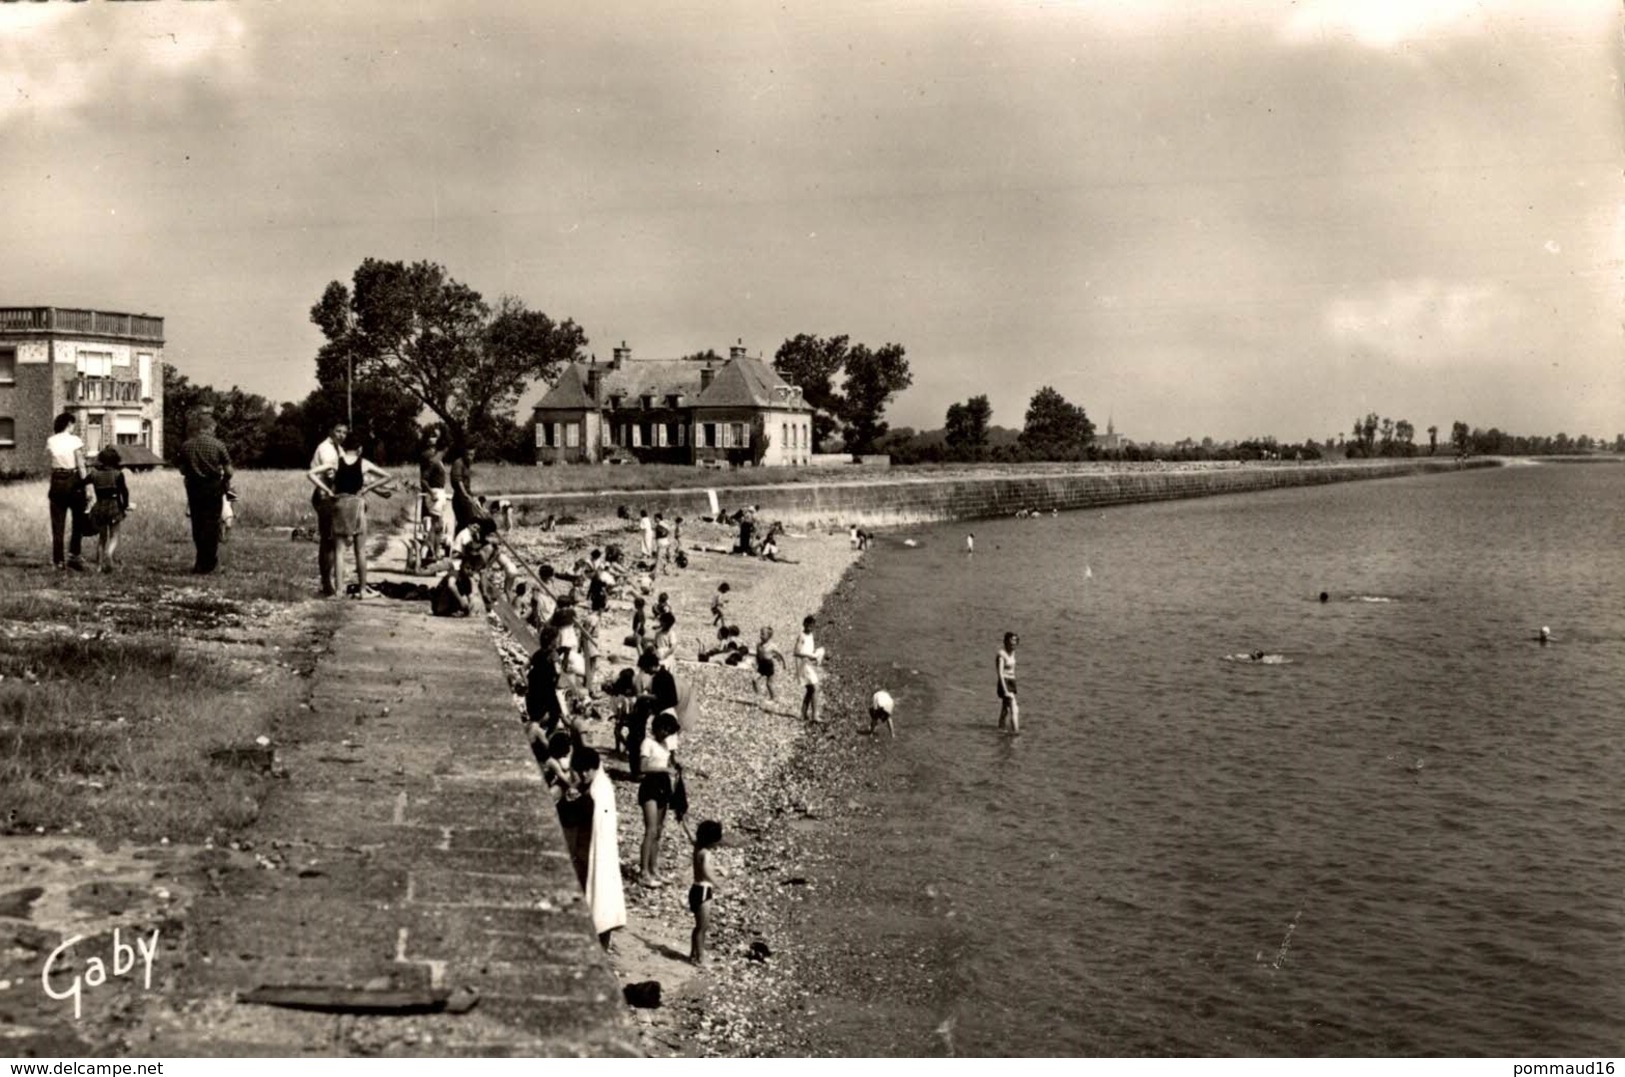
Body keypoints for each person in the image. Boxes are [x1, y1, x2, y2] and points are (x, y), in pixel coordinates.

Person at [308, 432, 393, 599]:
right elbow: (388, 476)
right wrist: (369, 488)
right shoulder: (364, 463)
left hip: (339, 504)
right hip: (356, 505)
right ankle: (362, 590)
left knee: (339, 551)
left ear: (344, 448)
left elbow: (310, 473)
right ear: (359, 449)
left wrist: (326, 490)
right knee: (360, 550)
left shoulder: (336, 462)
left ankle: (339, 591)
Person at [574, 747, 626, 949]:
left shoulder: (596, 792)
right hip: (599, 853)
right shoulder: (602, 787)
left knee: (595, 896)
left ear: (586, 770)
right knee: (602, 897)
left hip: (590, 853)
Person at [177, 411, 233, 575]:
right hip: (213, 487)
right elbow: (229, 470)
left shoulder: (186, 445)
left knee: (198, 524)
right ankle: (209, 562)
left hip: (194, 488)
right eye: (213, 428)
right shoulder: (218, 445)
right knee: (212, 524)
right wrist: (224, 480)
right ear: (208, 428)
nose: (214, 431)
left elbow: (182, 470)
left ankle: (200, 561)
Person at [637, 711, 682, 886]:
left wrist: (674, 767)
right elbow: (642, 767)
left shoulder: (664, 745)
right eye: (664, 729)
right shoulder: (647, 742)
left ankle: (654, 868)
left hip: (663, 785)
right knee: (650, 830)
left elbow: (668, 763)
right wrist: (664, 770)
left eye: (669, 731)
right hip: (650, 786)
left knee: (659, 830)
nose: (666, 733)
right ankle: (643, 871)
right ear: (657, 728)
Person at [45, 412, 90, 572]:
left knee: (58, 524)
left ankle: (58, 561)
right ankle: (74, 555)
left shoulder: (51, 440)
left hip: (57, 480)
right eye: (73, 425)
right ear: (69, 424)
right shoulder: (75, 440)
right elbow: (81, 463)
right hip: (73, 479)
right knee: (78, 520)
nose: (74, 427)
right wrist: (87, 485)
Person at [307, 421, 348, 596]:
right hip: (324, 496)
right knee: (328, 541)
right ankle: (326, 583)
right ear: (331, 431)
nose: (341, 435)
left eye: (344, 433)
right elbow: (332, 474)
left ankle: (331, 581)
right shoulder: (325, 449)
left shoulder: (339, 449)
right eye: (338, 431)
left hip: (334, 496)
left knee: (333, 540)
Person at [87, 447, 130, 573]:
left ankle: (99, 566)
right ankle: (109, 553)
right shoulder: (118, 474)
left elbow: (81, 482)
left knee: (102, 537)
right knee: (114, 535)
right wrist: (124, 506)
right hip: (114, 506)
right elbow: (124, 492)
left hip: (100, 507)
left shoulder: (94, 474)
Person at [689, 819, 724, 966]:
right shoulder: (706, 853)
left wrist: (684, 822)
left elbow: (690, 836)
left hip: (695, 888)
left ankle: (693, 954)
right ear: (712, 841)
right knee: (702, 928)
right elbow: (705, 870)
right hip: (704, 890)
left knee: (698, 927)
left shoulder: (697, 847)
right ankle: (700, 958)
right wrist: (718, 883)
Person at [419, 434, 453, 561]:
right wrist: (432, 493)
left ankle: (436, 550)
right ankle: (431, 550)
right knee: (435, 524)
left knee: (439, 525)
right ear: (444, 448)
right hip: (435, 492)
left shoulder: (439, 461)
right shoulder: (433, 462)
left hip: (440, 492)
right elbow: (424, 480)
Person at [794, 615, 825, 724]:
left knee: (811, 689)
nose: (810, 628)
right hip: (803, 665)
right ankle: (814, 715)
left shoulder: (810, 635)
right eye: (808, 625)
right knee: (815, 688)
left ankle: (803, 713)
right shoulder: (802, 637)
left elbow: (808, 650)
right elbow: (796, 652)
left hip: (808, 664)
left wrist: (817, 654)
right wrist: (810, 656)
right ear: (804, 625)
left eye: (812, 626)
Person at [446, 442, 479, 533]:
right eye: (468, 454)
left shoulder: (468, 465)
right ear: (464, 453)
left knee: (464, 524)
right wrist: (466, 494)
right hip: (460, 497)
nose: (469, 457)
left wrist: (472, 496)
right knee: (468, 522)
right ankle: (460, 543)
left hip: (466, 496)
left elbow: (467, 484)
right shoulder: (458, 463)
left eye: (472, 455)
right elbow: (458, 481)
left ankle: (459, 544)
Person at [752, 626, 786, 702]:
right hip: (761, 666)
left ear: (769, 636)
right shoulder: (758, 645)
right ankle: (758, 696)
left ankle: (773, 698)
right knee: (754, 679)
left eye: (763, 634)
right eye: (760, 633)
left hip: (769, 666)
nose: (761, 636)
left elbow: (780, 654)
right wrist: (756, 663)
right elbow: (757, 655)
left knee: (769, 684)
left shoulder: (772, 646)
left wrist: (784, 663)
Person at [996, 631, 1020, 735]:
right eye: (1011, 641)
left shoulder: (1013, 652)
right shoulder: (1001, 655)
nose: (1013, 643)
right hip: (1004, 682)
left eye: (1015, 641)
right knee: (1015, 708)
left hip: (1011, 682)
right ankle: (1016, 732)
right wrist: (1005, 690)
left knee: (1005, 709)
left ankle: (1001, 730)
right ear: (1006, 642)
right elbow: (1000, 674)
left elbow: (1012, 670)